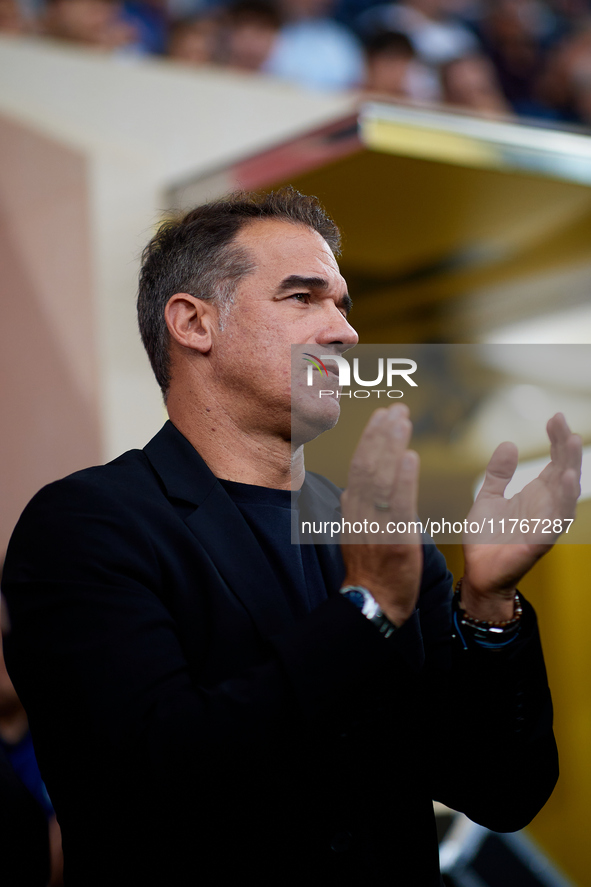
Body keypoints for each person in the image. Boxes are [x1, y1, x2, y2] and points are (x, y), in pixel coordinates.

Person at [2, 188, 581, 886]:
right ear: (193, 322)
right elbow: (157, 785)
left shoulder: (382, 532)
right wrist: (364, 610)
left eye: (342, 304)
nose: (344, 332)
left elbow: (502, 789)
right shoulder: (87, 526)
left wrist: (489, 605)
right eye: (303, 298)